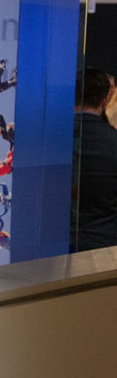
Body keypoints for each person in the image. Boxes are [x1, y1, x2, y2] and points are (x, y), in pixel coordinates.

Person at [72, 67, 117, 251]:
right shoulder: (113, 140)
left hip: (53, 249)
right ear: (105, 100)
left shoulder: (49, 139)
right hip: (104, 248)